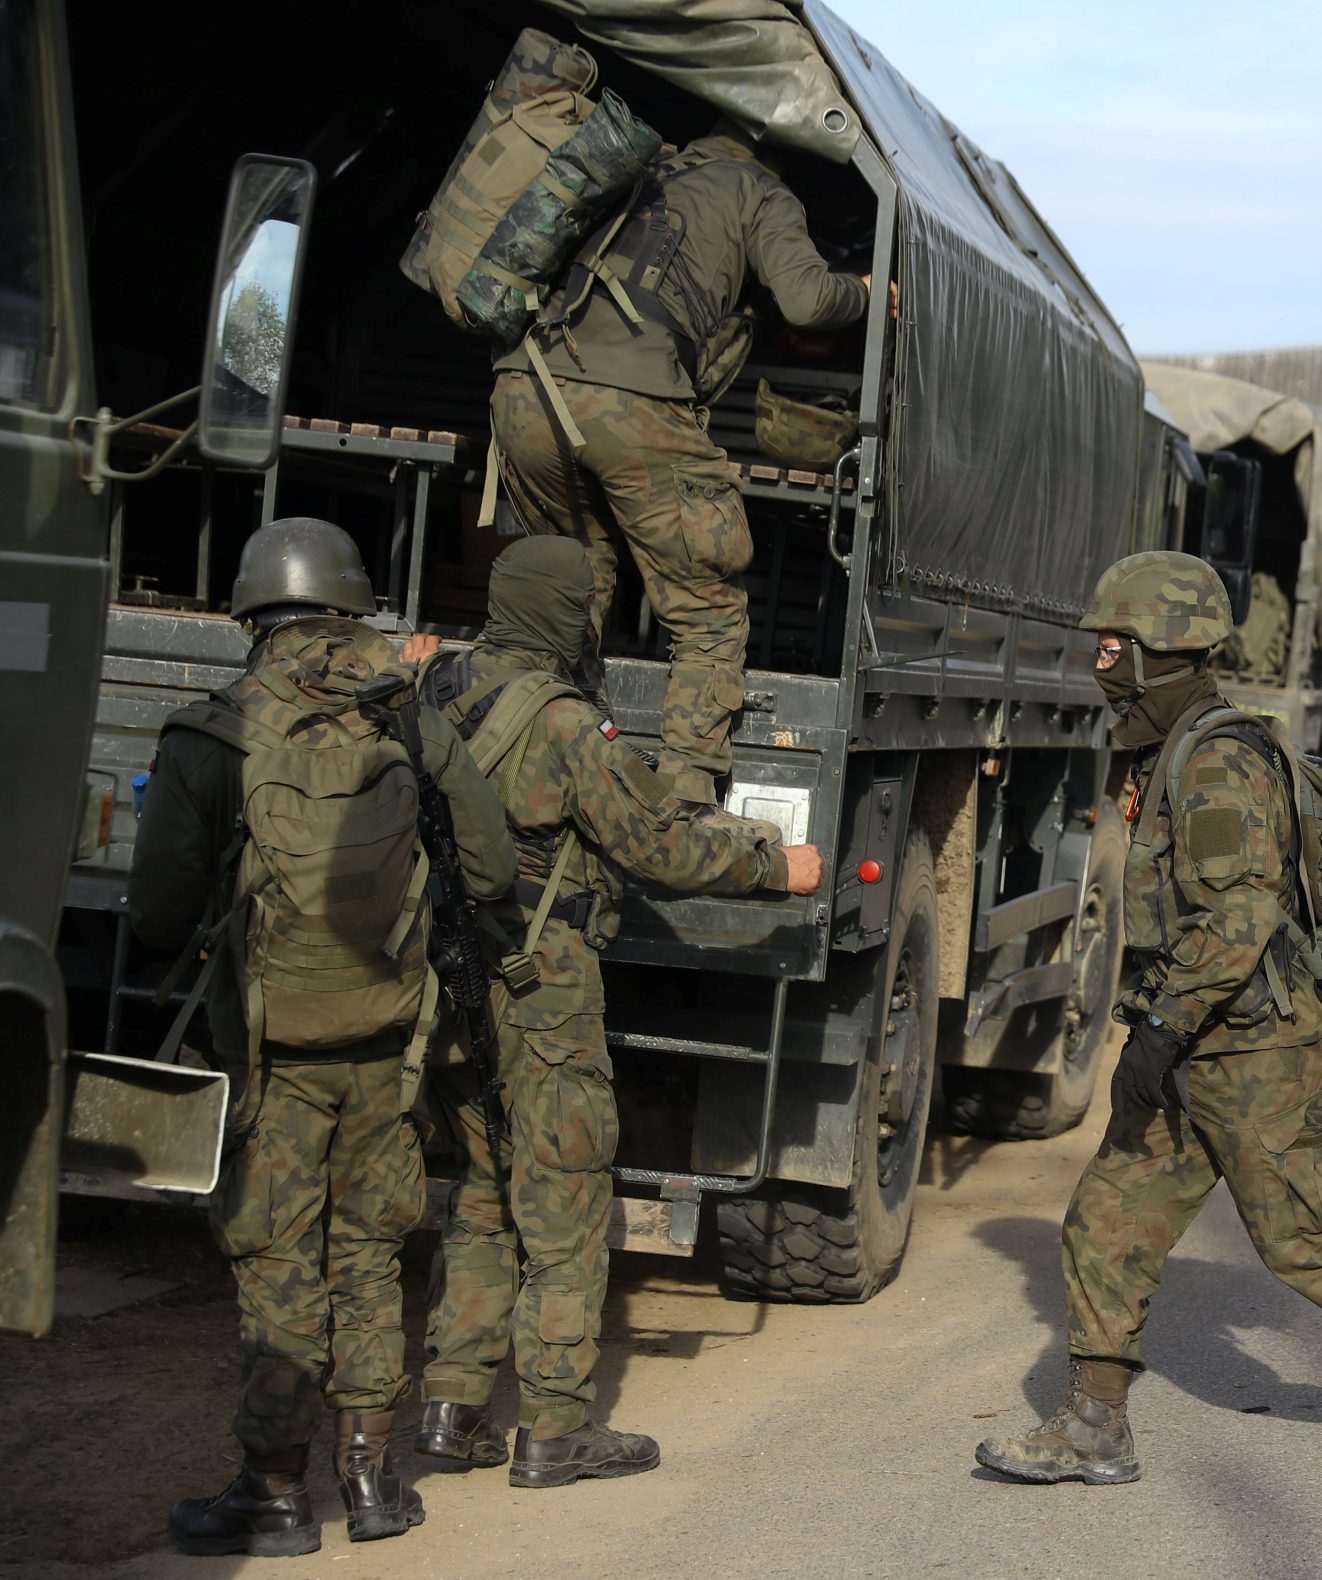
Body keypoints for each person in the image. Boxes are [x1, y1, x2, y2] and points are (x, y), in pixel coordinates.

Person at [976, 552, 1322, 1484]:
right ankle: (1095, 1427)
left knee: (1305, 1246)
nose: (1100, 663)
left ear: (1166, 654)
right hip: (1193, 1045)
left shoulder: (1220, 760)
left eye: (1116, 647)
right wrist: (1163, 1036)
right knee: (1107, 1219)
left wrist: (1157, 1032)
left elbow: (1241, 916)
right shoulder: (1168, 748)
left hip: (1262, 1054)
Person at [408, 536, 823, 1487]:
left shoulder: (437, 690)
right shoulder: (561, 725)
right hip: (540, 987)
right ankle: (554, 1430)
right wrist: (776, 866)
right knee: (564, 1201)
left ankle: (451, 1403)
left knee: (478, 1191)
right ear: (565, 616)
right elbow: (659, 846)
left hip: (448, 977)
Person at [136, 519, 515, 1557]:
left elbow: (156, 914)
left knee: (275, 1266)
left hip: (272, 1062)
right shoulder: (407, 716)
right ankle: (373, 1478)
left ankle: (273, 1491)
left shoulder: (214, 732)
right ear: (350, 607)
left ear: (255, 613)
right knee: (369, 1259)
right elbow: (486, 868)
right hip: (388, 1050)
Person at [490, 116, 881, 814]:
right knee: (707, 613)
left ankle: (533, 768)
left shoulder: (635, 167)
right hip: (628, 403)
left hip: (524, 389)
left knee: (571, 587)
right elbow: (806, 298)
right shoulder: (761, 191)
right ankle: (683, 806)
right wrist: (873, 291)